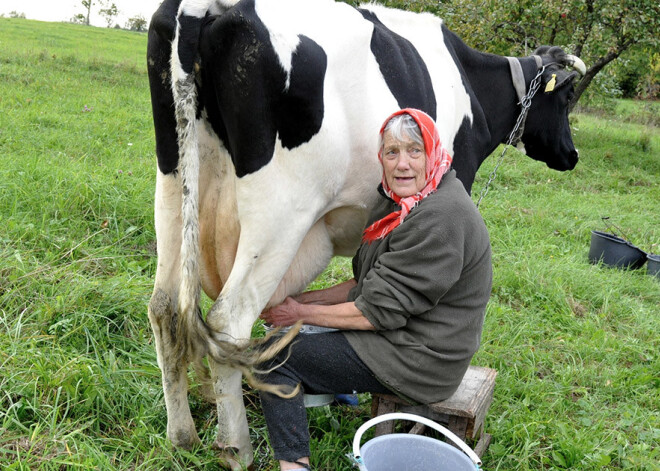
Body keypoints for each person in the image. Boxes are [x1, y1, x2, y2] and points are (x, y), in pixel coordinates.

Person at [258, 108, 492, 471]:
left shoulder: (441, 218)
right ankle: (332, 386)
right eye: (392, 152)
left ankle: (295, 466)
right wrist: (299, 301)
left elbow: (373, 312)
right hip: (404, 333)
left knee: (273, 355)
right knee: (294, 330)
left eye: (415, 151)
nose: (403, 164)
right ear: (380, 157)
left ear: (433, 153)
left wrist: (299, 314)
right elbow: (365, 284)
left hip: (423, 358)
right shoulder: (396, 201)